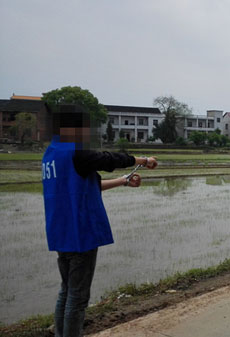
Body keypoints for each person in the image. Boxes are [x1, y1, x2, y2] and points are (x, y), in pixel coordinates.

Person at [42, 104, 158, 337]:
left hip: (61, 234)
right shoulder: (75, 152)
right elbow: (107, 159)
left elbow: (88, 185)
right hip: (80, 234)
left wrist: (124, 181)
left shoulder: (52, 155)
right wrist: (142, 159)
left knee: (67, 291)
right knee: (77, 297)